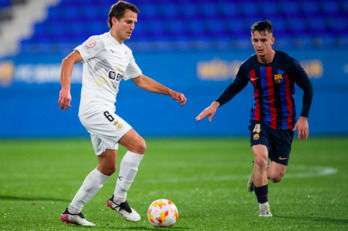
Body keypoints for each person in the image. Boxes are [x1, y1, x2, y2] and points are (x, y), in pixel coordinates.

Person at [58, 1, 186, 226]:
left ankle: (73, 211)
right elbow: (69, 60)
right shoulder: (98, 42)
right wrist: (66, 89)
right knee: (139, 145)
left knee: (107, 166)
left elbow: (139, 79)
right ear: (113, 21)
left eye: (135, 22)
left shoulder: (125, 52)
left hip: (104, 111)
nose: (132, 26)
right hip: (95, 110)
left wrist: (169, 92)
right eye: (128, 21)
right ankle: (119, 199)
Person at [196, 20, 313, 217]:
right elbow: (235, 87)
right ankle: (264, 208)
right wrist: (215, 104)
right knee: (260, 159)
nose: (259, 44)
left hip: (284, 123)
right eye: (255, 40)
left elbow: (307, 87)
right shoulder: (248, 66)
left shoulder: (287, 63)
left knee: (275, 176)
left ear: (272, 40)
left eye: (263, 40)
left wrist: (303, 117)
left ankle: (256, 175)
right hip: (260, 119)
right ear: (251, 40)